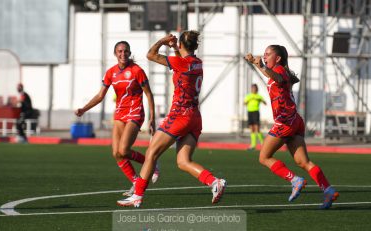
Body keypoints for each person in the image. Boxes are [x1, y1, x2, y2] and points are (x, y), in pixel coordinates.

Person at [117, 31, 227, 208]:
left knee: (152, 153)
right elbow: (181, 64)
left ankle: (137, 195)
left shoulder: (181, 62)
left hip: (180, 115)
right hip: (194, 118)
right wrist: (176, 48)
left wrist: (163, 41)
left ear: (182, 45)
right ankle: (214, 182)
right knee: (183, 161)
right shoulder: (197, 63)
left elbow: (150, 55)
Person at [244, 45, 339, 209]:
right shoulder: (279, 71)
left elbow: (278, 78)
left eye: (268, 54)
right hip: (295, 121)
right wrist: (257, 64)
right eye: (264, 54)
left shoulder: (279, 71)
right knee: (303, 162)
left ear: (278, 58)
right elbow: (273, 76)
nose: (264, 56)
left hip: (285, 122)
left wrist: (260, 65)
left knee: (264, 157)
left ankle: (295, 180)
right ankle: (328, 189)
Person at [75, 41, 159, 196]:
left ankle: (152, 164)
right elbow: (100, 96)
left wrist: (152, 118)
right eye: (120, 51)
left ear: (129, 52)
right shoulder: (110, 73)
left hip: (135, 112)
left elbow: (148, 94)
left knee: (123, 150)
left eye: (126, 51)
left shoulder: (137, 71)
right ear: (115, 53)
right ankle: (136, 181)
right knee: (116, 153)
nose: (123, 54)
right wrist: (84, 109)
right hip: (120, 114)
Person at [244, 83, 266, 150]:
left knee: (257, 129)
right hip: (250, 112)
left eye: (254, 88)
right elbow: (244, 103)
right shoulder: (248, 96)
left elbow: (265, 103)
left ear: (256, 89)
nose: (253, 89)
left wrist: (260, 100)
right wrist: (248, 100)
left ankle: (263, 144)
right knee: (252, 129)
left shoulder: (258, 96)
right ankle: (253, 145)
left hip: (256, 112)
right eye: (252, 88)